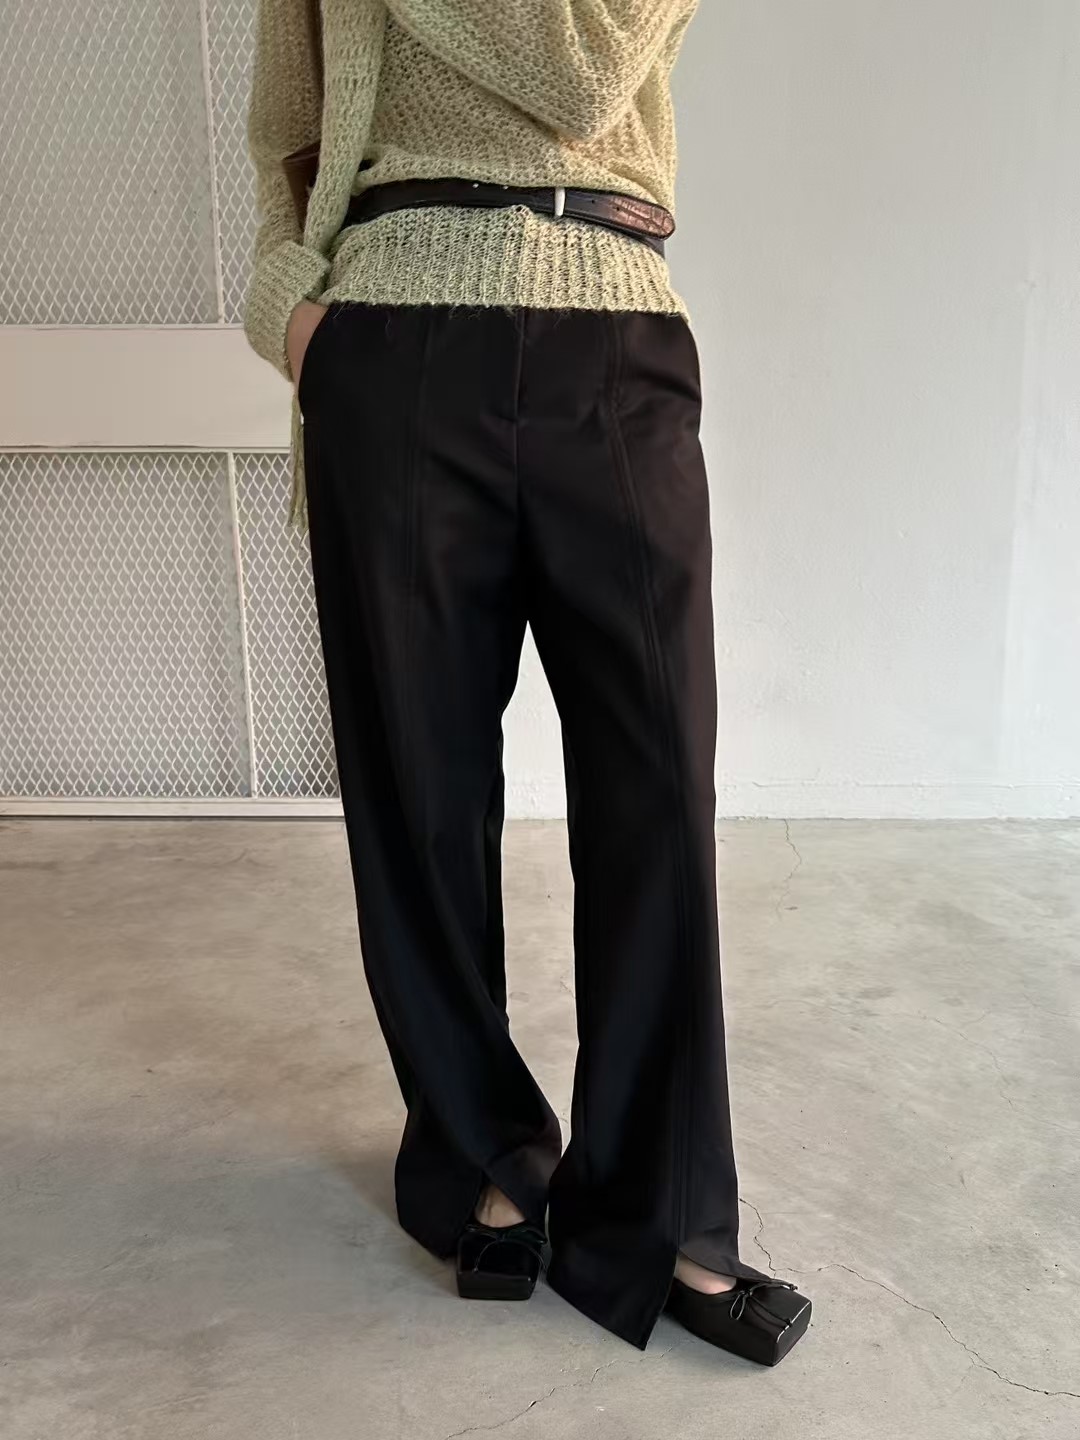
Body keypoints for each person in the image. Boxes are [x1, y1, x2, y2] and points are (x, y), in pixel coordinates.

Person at [243, 0, 812, 1365]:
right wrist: (293, 314)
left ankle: (663, 1214)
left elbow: (584, 70)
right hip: (386, 342)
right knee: (417, 796)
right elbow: (286, 133)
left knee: (657, 793)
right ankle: (486, 1152)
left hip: (610, 335)